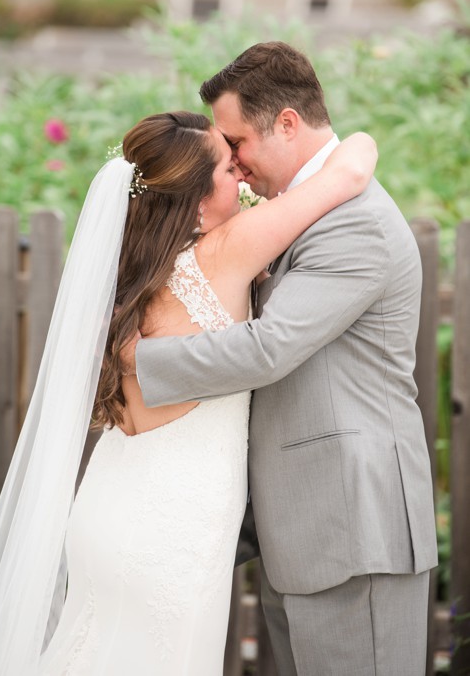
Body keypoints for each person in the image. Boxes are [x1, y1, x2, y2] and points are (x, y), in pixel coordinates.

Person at [0, 110, 378, 673]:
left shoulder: (130, 275)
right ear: (193, 201)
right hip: (172, 534)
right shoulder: (225, 252)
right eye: (225, 168)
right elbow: (348, 175)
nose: (240, 176)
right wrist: (358, 137)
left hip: (104, 514)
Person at [134, 42, 438, 674]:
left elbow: (270, 348)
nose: (235, 166)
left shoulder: (357, 225)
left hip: (353, 527)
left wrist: (138, 361)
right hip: (300, 527)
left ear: (288, 124)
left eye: (238, 141)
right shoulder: (313, 207)